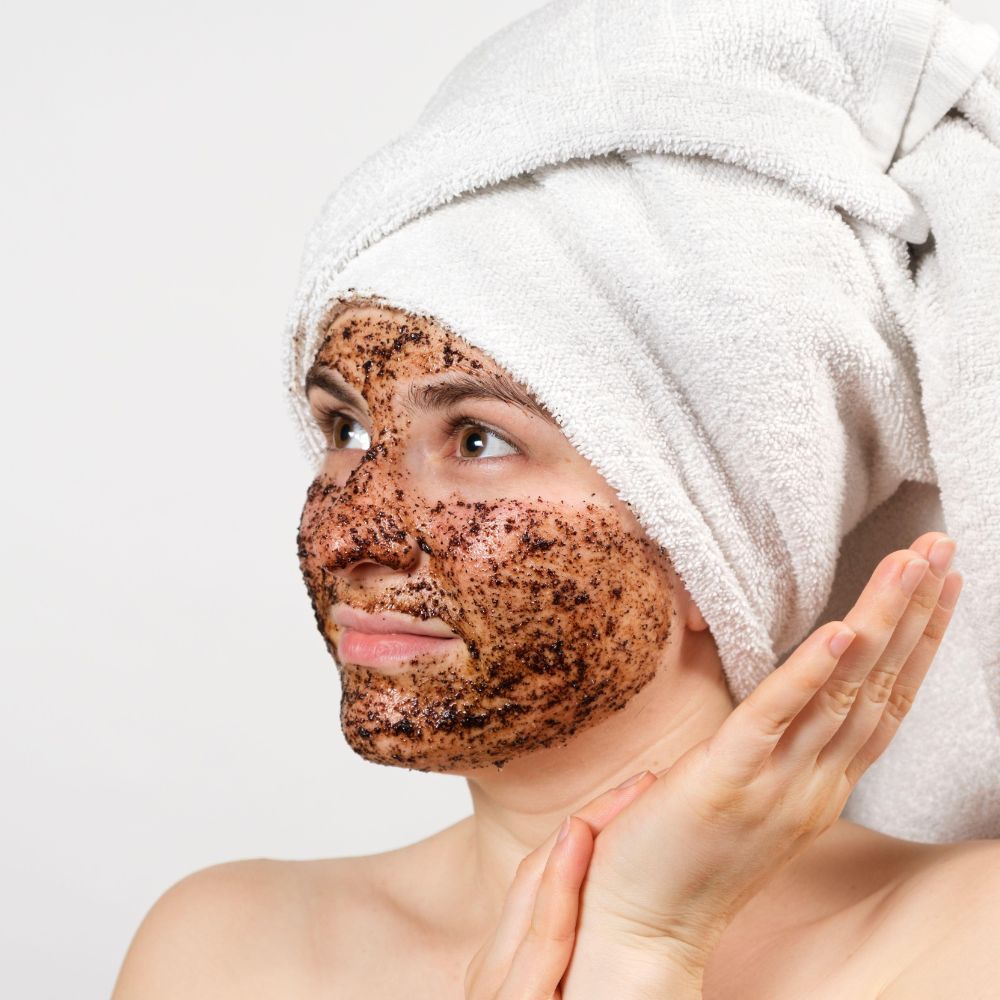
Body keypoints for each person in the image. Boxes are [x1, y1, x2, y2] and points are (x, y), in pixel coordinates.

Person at [110, 300, 999, 1000]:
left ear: (712, 548)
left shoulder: (970, 943)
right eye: (346, 430)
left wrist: (643, 950)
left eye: (478, 439)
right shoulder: (227, 951)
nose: (348, 535)